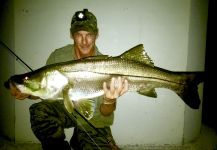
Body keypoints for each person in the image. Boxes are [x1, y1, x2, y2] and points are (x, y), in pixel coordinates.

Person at [9, 9, 128, 150]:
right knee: (39, 111)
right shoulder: (58, 56)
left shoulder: (107, 65)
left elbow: (106, 112)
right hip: (66, 111)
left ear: (97, 34)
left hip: (95, 120)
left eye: (89, 35)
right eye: (79, 35)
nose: (84, 41)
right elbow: (47, 92)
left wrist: (110, 100)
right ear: (72, 35)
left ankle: (80, 138)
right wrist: (28, 92)